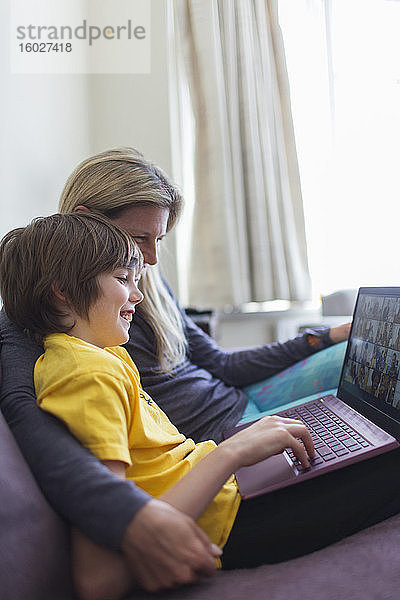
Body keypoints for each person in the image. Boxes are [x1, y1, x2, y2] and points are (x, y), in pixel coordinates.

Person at [0, 148, 350, 592]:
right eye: (136, 248)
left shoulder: (109, 344)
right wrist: (229, 452)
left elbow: (219, 363)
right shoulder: (81, 360)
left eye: (158, 241)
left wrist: (325, 336)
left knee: (356, 366)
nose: (149, 265)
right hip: (221, 446)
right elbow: (100, 571)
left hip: (221, 439)